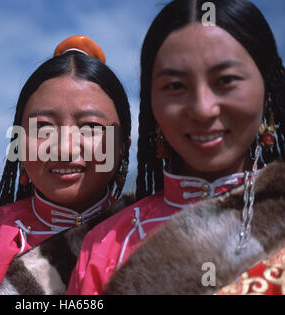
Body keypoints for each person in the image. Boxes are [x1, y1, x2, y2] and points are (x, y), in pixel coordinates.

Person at [67, 0, 285, 295]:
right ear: (151, 103)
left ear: (268, 92)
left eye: (226, 80)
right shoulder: (105, 245)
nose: (202, 109)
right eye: (175, 86)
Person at [0, 35, 132, 294]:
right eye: (43, 127)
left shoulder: (154, 232)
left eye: (90, 127)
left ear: (122, 148)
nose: (64, 148)